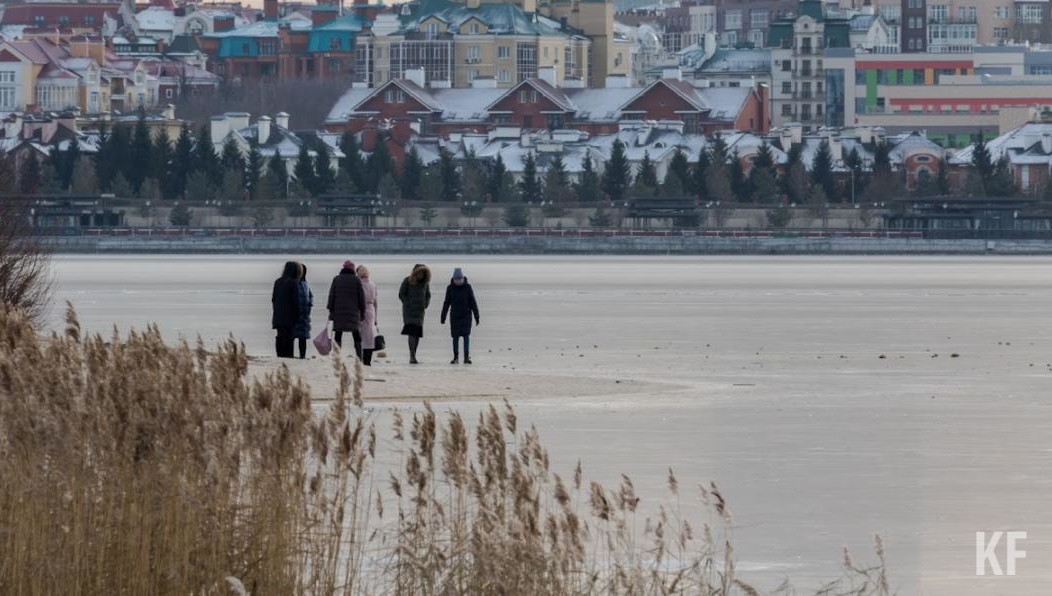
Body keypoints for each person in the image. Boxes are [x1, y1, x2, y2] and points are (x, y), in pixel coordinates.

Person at [327, 259, 366, 359]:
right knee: (356, 334)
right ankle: (359, 357)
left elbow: (331, 295)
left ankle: (337, 356)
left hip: (338, 313)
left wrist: (331, 311)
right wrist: (363, 312)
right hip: (353, 313)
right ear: (353, 269)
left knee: (338, 334)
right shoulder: (356, 280)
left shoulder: (336, 279)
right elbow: (361, 297)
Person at [440, 267, 480, 365]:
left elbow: (473, 302)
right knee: (455, 338)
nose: (457, 280)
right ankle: (456, 357)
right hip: (455, 317)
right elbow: (446, 303)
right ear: (453, 279)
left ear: (462, 278)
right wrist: (443, 316)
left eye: (459, 279)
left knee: (466, 337)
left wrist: (476, 316)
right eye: (456, 279)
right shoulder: (450, 288)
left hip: (466, 316)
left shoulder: (468, 287)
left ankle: (466, 358)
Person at [398, 263, 431, 364]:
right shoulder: (407, 281)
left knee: (417, 334)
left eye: (422, 273)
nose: (421, 275)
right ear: (415, 273)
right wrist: (408, 303)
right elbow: (401, 294)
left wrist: (425, 304)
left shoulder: (425, 283)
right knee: (411, 333)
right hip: (409, 312)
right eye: (419, 273)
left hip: (420, 312)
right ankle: (411, 356)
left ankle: (414, 355)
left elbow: (428, 295)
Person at [271, 261, 301, 358]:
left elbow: (273, 299)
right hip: (289, 316)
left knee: (280, 336)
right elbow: (295, 302)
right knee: (289, 337)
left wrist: (276, 310)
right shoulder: (293, 283)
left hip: (278, 315)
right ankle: (288, 356)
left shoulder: (277, 281)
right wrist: (297, 316)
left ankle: (279, 355)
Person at [357, 264, 379, 366]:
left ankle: (360, 359)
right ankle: (368, 361)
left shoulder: (358, 284)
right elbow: (375, 302)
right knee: (369, 336)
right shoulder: (373, 284)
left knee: (359, 336)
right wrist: (376, 318)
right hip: (371, 310)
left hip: (359, 310)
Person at [293, 263, 313, 359]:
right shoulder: (293, 283)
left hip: (304, 316)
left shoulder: (305, 283)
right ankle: (291, 355)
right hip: (295, 315)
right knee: (292, 336)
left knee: (302, 338)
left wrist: (309, 306)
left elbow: (310, 296)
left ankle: (302, 356)